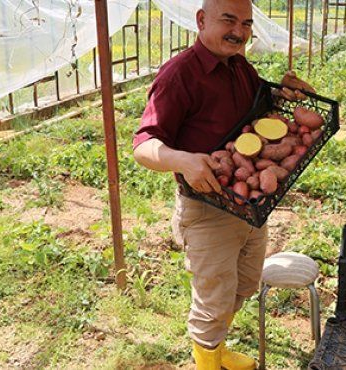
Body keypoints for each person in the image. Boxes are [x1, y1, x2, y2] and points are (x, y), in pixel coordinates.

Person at [132, 0, 314, 368]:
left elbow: (254, 116)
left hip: (247, 205)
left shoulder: (239, 65)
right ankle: (207, 361)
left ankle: (216, 349)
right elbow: (143, 145)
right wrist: (182, 160)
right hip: (207, 208)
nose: (239, 31)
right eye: (228, 20)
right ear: (201, 20)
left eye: (246, 23)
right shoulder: (179, 75)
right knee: (213, 298)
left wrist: (281, 96)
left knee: (245, 283)